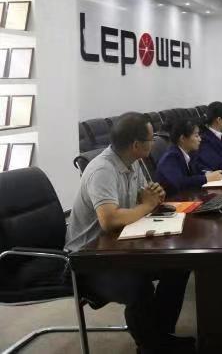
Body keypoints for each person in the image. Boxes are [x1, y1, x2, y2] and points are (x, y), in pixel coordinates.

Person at [65, 113, 193, 353]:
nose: (154, 143)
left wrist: (153, 195)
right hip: (89, 258)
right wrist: (147, 205)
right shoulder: (103, 170)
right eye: (150, 139)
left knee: (178, 264)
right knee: (138, 286)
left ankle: (160, 336)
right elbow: (110, 220)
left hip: (119, 245)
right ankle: (150, 346)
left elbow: (141, 198)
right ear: (136, 145)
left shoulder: (133, 161)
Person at [155, 119, 222, 195]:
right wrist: (207, 178)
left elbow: (198, 167)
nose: (200, 139)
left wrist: (208, 173)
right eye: (196, 136)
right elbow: (180, 182)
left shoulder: (190, 153)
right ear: (182, 138)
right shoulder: (171, 157)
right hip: (174, 199)